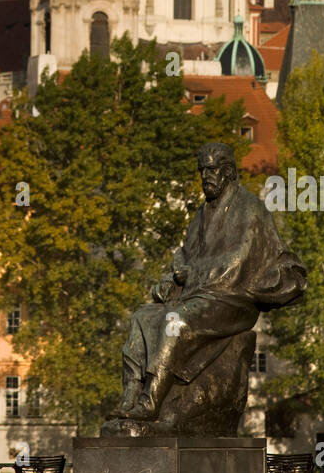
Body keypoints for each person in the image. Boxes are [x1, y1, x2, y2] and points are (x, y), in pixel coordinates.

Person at [106, 141, 306, 428]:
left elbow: (238, 261)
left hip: (233, 299)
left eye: (211, 169)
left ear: (227, 171)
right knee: (141, 317)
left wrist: (191, 276)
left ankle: (150, 404)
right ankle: (130, 397)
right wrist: (169, 281)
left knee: (174, 321)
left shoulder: (250, 208)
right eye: (201, 170)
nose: (204, 176)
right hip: (199, 296)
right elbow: (184, 256)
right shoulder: (201, 213)